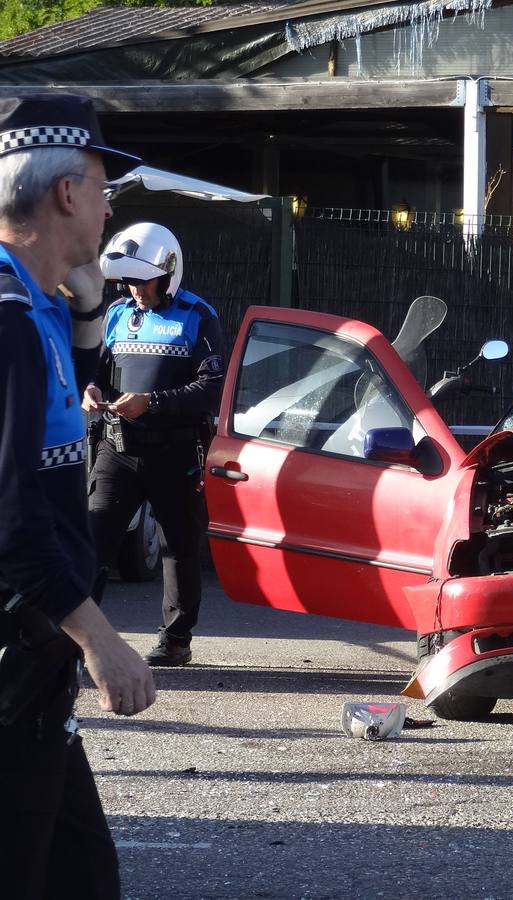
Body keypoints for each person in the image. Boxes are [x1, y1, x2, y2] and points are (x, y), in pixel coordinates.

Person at [0, 92, 157, 900]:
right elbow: (10, 523)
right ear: (66, 193)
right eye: (102, 187)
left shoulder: (36, 305)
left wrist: (92, 304)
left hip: (32, 656)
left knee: (83, 874)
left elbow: (75, 392)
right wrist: (100, 639)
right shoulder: (7, 319)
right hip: (13, 656)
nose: (107, 207)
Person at [82, 222, 224, 667]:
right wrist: (91, 389)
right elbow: (97, 369)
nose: (133, 288)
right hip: (117, 448)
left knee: (178, 545)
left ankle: (175, 640)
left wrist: (154, 403)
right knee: (91, 539)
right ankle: (75, 638)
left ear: (168, 272)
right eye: (127, 280)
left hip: (176, 451)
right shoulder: (118, 314)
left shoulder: (198, 315)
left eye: (141, 280)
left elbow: (212, 387)